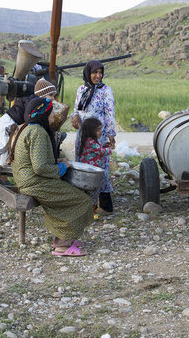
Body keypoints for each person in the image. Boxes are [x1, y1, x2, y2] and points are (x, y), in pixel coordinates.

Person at [10, 97, 93, 256]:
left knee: (69, 198)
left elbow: (36, 159)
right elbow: (40, 168)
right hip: (35, 183)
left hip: (28, 181)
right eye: (51, 113)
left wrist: (56, 161)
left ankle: (61, 239)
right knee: (81, 200)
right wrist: (62, 167)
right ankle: (63, 245)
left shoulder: (28, 128)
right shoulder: (38, 132)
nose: (53, 116)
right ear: (43, 115)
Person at [0, 78, 57, 172]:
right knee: (3, 147)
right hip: (8, 121)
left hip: (12, 121)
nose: (53, 98)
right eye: (51, 95)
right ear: (42, 94)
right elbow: (28, 117)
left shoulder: (38, 104)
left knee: (7, 149)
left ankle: (2, 172)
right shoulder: (33, 102)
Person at [71, 60, 116, 214]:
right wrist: (75, 116)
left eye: (100, 72)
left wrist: (110, 133)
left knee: (100, 168)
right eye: (95, 72)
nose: (98, 76)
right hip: (83, 135)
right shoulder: (82, 89)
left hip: (98, 134)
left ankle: (105, 206)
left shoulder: (105, 90)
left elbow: (110, 113)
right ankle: (84, 203)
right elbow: (77, 107)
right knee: (83, 166)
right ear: (88, 73)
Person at [78, 117, 114, 219]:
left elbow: (98, 149)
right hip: (90, 173)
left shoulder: (90, 141)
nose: (100, 132)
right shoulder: (90, 141)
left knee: (91, 193)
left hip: (90, 172)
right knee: (93, 193)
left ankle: (90, 211)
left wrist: (104, 146)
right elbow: (101, 152)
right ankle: (92, 212)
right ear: (91, 131)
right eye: (98, 129)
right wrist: (110, 149)